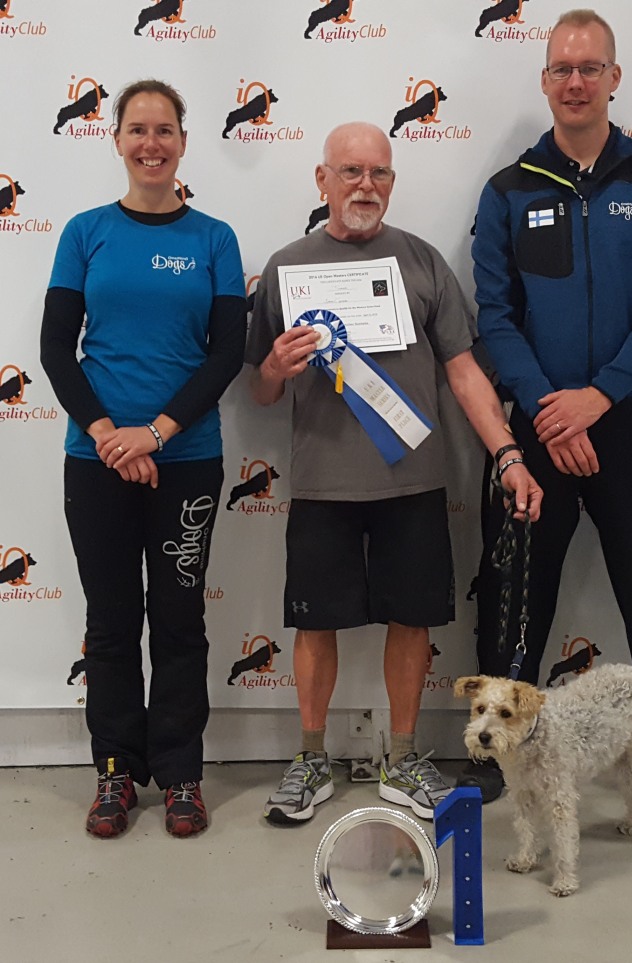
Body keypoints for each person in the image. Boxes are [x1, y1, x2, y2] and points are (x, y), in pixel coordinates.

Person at [463, 9, 632, 822]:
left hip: (629, 414)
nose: (575, 82)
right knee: (515, 591)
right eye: (561, 69)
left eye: (590, 68)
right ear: (544, 80)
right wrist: (553, 412)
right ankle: (488, 764)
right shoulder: (508, 190)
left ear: (615, 78)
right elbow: (497, 315)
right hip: (535, 424)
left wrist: (600, 396)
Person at [247, 121, 542, 825]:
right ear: (322, 181)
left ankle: (403, 756)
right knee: (314, 625)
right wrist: (276, 367)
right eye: (349, 172)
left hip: (413, 481)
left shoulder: (422, 261)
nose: (365, 186)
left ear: (393, 182)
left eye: (379, 173)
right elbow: (259, 390)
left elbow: (465, 372)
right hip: (323, 483)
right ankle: (312, 755)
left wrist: (506, 450)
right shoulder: (287, 267)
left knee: (412, 619)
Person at [40, 80, 247, 838]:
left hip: (184, 459)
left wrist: (154, 433)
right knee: (113, 619)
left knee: (181, 617)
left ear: (183, 142)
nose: (151, 143)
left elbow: (227, 351)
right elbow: (56, 349)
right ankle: (115, 772)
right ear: (117, 140)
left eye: (165, 130)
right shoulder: (86, 231)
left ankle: (182, 773)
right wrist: (105, 434)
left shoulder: (213, 239)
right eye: (137, 129)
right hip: (95, 460)